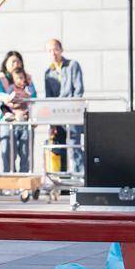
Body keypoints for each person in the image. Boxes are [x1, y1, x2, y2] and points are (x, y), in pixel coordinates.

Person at [43, 38, 84, 173]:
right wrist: (51, 121)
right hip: (57, 114)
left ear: (61, 50)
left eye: (55, 49)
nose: (53, 53)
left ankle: (80, 176)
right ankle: (63, 181)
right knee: (60, 146)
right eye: (49, 50)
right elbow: (49, 97)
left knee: (74, 145)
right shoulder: (48, 72)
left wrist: (75, 107)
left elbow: (78, 89)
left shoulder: (73, 65)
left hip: (72, 110)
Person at [0, 51, 36, 173]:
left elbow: (33, 95)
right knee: (7, 151)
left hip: (25, 119)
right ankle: (9, 182)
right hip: (8, 119)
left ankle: (24, 185)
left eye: (18, 61)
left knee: (25, 152)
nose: (16, 64)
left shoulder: (27, 78)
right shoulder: (0, 78)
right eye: (13, 61)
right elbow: (0, 93)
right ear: (6, 63)